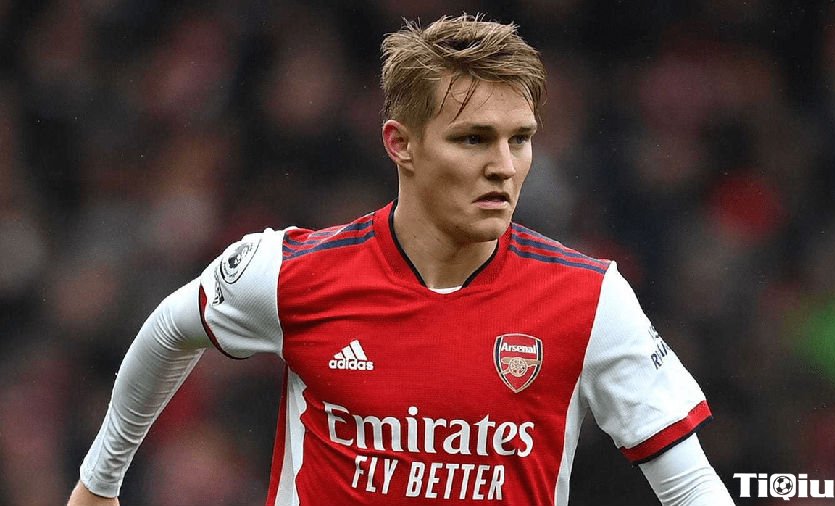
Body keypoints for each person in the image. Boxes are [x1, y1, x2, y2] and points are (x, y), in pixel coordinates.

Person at [69, 14, 735, 506]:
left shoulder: (590, 300)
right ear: (401, 143)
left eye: (520, 139)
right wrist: (99, 482)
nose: (504, 166)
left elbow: (690, 487)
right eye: (473, 139)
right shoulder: (290, 271)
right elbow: (170, 329)